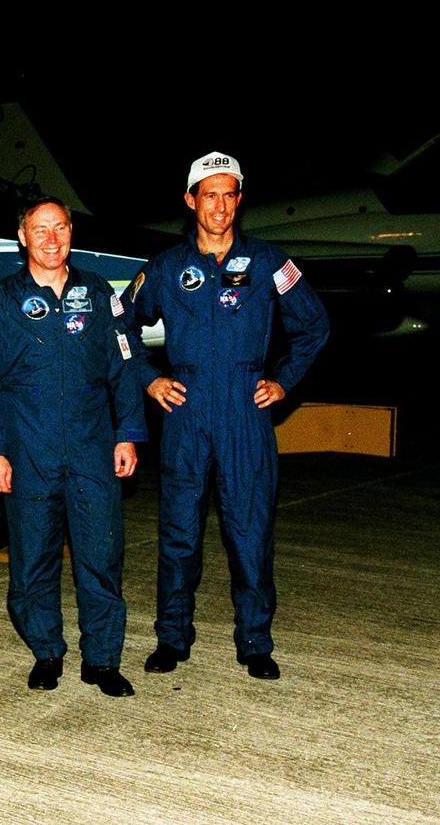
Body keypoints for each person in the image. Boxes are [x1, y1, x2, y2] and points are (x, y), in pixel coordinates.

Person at [123, 152, 329, 680]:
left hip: (245, 410)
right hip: (187, 412)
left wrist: (283, 379)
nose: (219, 205)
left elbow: (314, 327)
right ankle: (172, 638)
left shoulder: (269, 262)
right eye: (208, 194)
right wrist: (149, 377)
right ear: (191, 200)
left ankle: (256, 643)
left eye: (228, 194)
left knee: (250, 532)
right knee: (179, 534)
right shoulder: (166, 267)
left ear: (239, 200)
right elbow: (119, 326)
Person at [0, 196, 146, 698]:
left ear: (71, 232)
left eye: (61, 227)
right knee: (32, 561)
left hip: (92, 448)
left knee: (101, 555)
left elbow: (123, 366)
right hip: (28, 451)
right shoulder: (1, 300)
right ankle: (47, 651)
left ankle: (103, 660)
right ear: (22, 237)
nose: (52, 238)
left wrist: (128, 434)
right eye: (40, 229)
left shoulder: (97, 293)